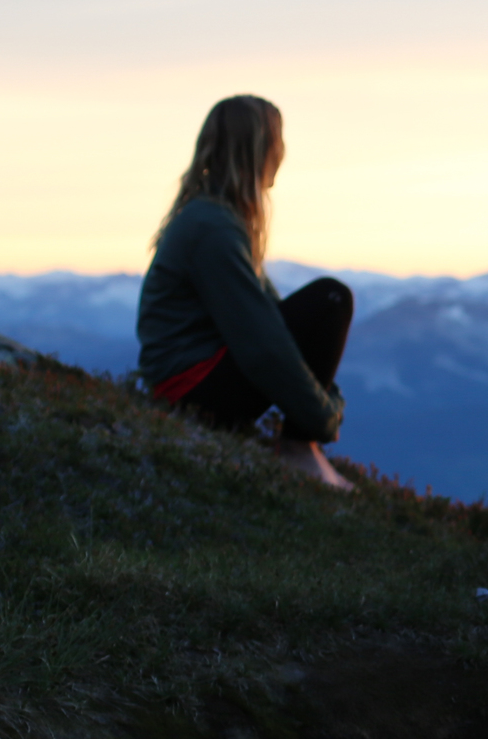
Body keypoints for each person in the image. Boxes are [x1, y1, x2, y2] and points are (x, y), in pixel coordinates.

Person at [138, 95, 354, 489]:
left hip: (188, 380)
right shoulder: (214, 228)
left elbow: (271, 319)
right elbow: (262, 342)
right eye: (278, 140)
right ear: (258, 150)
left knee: (325, 305)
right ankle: (297, 448)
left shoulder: (216, 217)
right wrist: (321, 416)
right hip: (191, 387)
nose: (284, 151)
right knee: (330, 300)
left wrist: (326, 401)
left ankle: (303, 443)